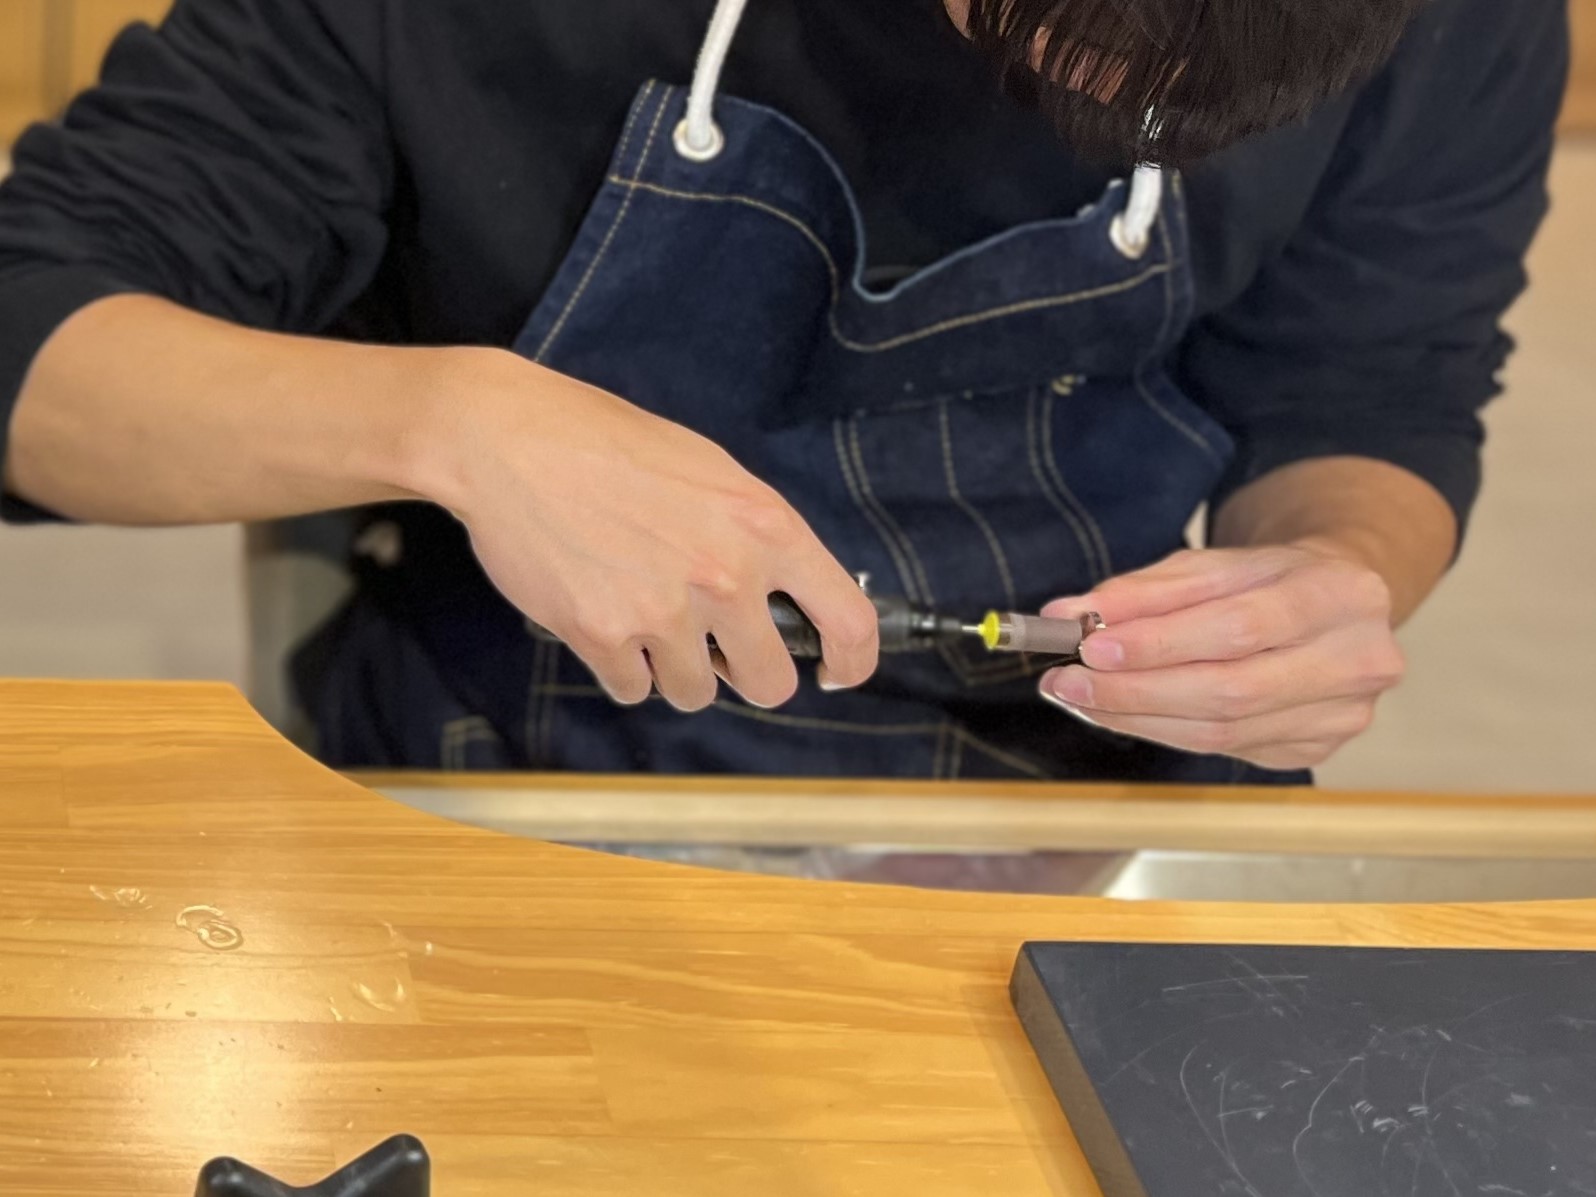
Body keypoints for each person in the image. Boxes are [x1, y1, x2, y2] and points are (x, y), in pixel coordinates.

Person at [0, 0, 1567, 782]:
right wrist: (450, 424)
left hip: (1089, 806)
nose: (1102, 98)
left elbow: (1372, 386)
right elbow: (32, 327)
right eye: (1051, 31)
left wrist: (1333, 572)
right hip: (532, 777)